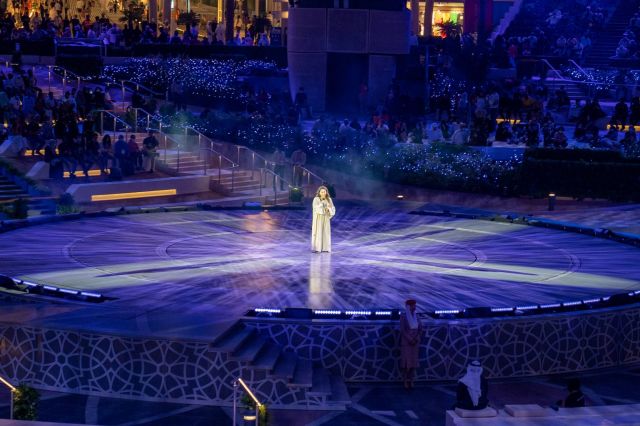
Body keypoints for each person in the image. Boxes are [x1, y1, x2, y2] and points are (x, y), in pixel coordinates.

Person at [400, 299, 422, 389]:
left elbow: (420, 329)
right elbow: (403, 330)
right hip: (407, 343)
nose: (415, 307)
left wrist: (416, 338)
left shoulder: (417, 316)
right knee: (406, 364)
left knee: (413, 364)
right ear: (409, 307)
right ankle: (405, 381)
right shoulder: (403, 316)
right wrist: (410, 339)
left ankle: (411, 380)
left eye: (415, 305)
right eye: (413, 305)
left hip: (415, 343)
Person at [311, 186, 335, 253]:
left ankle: (325, 248)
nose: (323, 193)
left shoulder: (329, 199)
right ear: (319, 192)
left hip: (326, 218)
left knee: (326, 232)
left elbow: (332, 208)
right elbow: (315, 208)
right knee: (318, 233)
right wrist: (322, 205)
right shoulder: (316, 199)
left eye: (324, 192)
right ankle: (317, 248)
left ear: (326, 192)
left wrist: (329, 209)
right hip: (318, 219)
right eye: (321, 192)